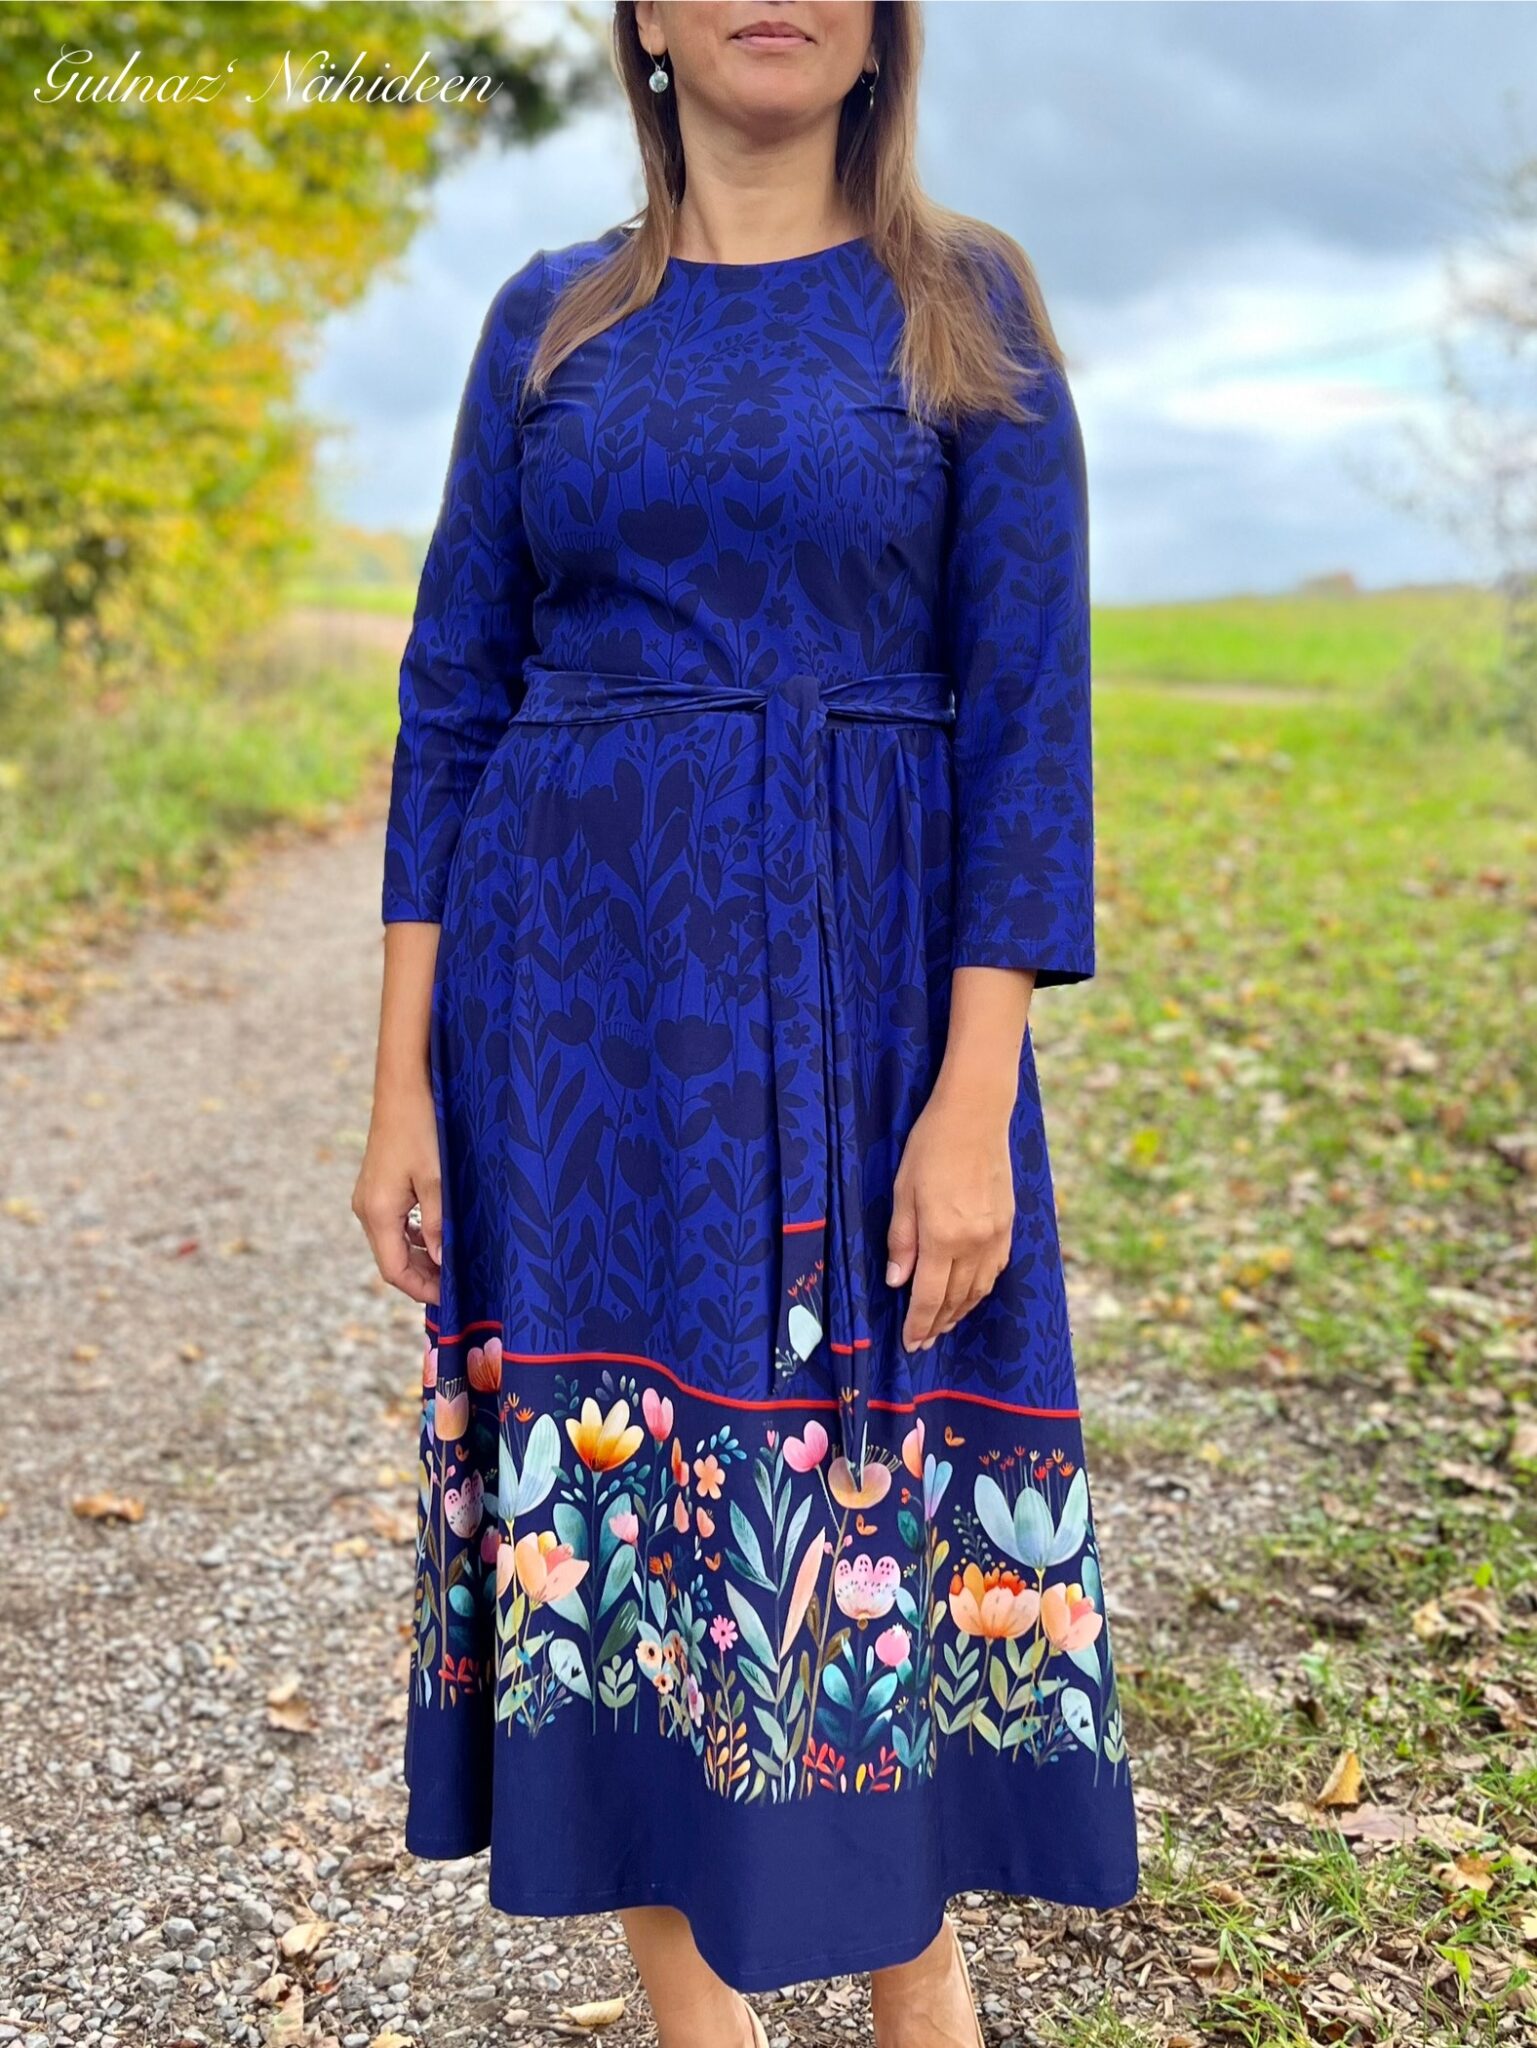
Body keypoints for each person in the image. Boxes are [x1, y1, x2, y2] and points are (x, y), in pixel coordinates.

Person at [353, 2, 1139, 2041]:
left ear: (880, 34)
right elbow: (451, 696)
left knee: (854, 1503)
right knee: (625, 1518)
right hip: (572, 1025)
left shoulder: (964, 304)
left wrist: (972, 1096)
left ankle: (921, 2001)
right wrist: (400, 1085)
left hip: (859, 1010)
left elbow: (1031, 724)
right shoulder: (547, 323)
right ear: (642, 21)